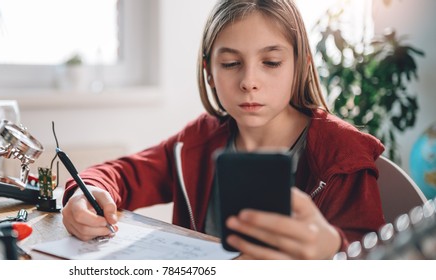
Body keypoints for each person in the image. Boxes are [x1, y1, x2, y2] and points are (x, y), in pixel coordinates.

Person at [61, 0, 385, 260]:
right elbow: (119, 174)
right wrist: (83, 194)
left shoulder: (342, 156)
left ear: (301, 65)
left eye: (271, 62)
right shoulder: (197, 140)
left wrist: (333, 251)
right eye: (231, 64)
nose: (249, 82)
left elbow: (376, 256)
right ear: (210, 72)